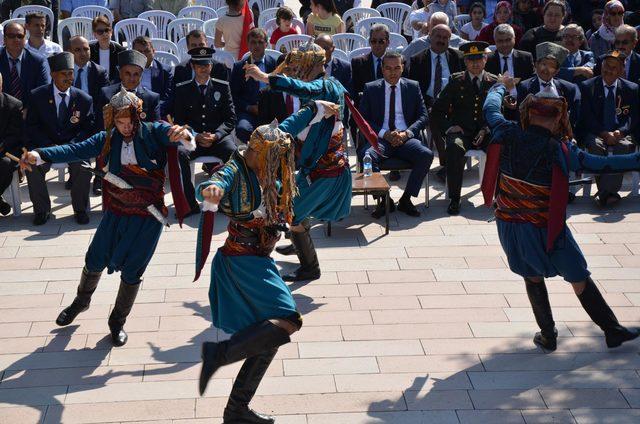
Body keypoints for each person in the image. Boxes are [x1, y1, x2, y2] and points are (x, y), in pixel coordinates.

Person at [21, 88, 194, 346]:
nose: (125, 127)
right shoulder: (107, 138)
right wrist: (40, 154)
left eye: (129, 122)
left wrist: (184, 135)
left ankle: (117, 321)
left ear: (138, 117)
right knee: (95, 257)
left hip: (148, 215)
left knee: (134, 268)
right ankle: (81, 301)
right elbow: (74, 149)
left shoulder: (153, 132)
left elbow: (182, 139)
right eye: (120, 122)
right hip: (117, 210)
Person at [481, 74, 640, 353]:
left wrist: (499, 87)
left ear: (528, 116)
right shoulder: (562, 150)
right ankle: (611, 330)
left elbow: (490, 109)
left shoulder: (506, 132)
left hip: (511, 224)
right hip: (547, 227)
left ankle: (548, 335)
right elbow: (605, 165)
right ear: (557, 121)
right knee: (578, 275)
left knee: (531, 275)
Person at [196, 122, 303, 423]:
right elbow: (215, 183)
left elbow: (293, 125)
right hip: (241, 261)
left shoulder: (267, 167)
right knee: (289, 320)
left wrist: (318, 108)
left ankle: (236, 411)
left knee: (270, 337)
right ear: (255, 151)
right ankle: (218, 355)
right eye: (270, 157)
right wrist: (210, 190)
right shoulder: (236, 168)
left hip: (259, 258)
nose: (275, 164)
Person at [245, 40, 351, 282]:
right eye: (291, 69)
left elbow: (302, 91)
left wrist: (266, 77)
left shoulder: (324, 88)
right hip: (317, 169)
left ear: (310, 65)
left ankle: (309, 266)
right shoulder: (327, 88)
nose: (294, 73)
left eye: (297, 68)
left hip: (328, 172)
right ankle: (300, 243)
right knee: (293, 210)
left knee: (292, 213)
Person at [359, 51, 432, 219]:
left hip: (406, 138)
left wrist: (407, 133)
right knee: (367, 156)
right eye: (388, 68)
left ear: (402, 68)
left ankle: (406, 199)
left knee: (426, 155)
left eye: (397, 68)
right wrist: (385, 134)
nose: (392, 72)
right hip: (381, 139)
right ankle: (383, 201)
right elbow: (363, 119)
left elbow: (423, 116)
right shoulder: (371, 88)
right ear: (382, 69)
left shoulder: (412, 87)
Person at [24, 52, 95, 225]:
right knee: (32, 165)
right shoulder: (37, 96)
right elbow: (31, 126)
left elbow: (88, 129)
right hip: (46, 145)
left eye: (71, 73)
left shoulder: (84, 99)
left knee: (83, 166)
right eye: (64, 73)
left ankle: (80, 209)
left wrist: (71, 146)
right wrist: (49, 146)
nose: (69, 77)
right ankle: (42, 210)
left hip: (73, 147)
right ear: (53, 74)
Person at [432, 41, 497, 215]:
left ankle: (498, 196)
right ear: (465, 62)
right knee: (454, 147)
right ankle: (454, 198)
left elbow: (500, 112)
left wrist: (487, 128)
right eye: (470, 60)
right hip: (462, 132)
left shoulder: (494, 82)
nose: (475, 63)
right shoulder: (456, 81)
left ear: (485, 60)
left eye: (478, 59)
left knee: (499, 147)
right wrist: (449, 127)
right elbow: (437, 111)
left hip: (486, 132)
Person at [174, 47, 238, 215]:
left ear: (211, 66)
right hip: (194, 138)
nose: (203, 68)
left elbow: (230, 119)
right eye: (199, 65)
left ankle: (228, 201)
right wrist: (195, 135)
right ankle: (189, 203)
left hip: (217, 137)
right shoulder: (182, 89)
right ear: (193, 67)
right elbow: (179, 121)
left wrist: (216, 135)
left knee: (233, 153)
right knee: (181, 153)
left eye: (207, 65)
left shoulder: (222, 87)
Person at [579, 51, 639, 206]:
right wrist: (604, 133)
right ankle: (609, 194)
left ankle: (605, 193)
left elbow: (633, 117)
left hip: (621, 133)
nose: (609, 70)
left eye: (614, 67)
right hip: (597, 132)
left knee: (623, 146)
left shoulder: (631, 88)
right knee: (596, 146)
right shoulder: (588, 86)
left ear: (621, 71)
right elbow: (587, 116)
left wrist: (621, 132)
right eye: (606, 66)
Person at [409, 23, 464, 181]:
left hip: (453, 102)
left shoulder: (457, 57)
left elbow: (462, 85)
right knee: (434, 115)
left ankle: (454, 159)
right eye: (438, 36)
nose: (441, 40)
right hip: (428, 103)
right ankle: (447, 163)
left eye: (445, 37)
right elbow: (415, 88)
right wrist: (432, 103)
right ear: (430, 38)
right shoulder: (418, 59)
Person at [516, 42, 581, 128]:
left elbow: (573, 117)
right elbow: (520, 117)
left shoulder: (568, 88)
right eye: (543, 64)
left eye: (551, 66)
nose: (546, 69)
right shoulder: (525, 87)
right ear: (536, 65)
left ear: (557, 71)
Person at [230, 28, 277, 144]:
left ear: (266, 44)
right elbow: (233, 96)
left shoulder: (274, 64)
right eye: (253, 42)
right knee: (242, 129)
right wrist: (249, 108)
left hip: (271, 111)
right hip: (248, 112)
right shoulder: (239, 67)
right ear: (248, 45)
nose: (257, 45)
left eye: (260, 42)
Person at [97, 50, 160, 130]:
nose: (132, 78)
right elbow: (99, 126)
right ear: (120, 74)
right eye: (127, 73)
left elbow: (155, 129)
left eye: (136, 74)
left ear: (141, 76)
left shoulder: (151, 98)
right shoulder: (107, 95)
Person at [0, 22, 51, 104]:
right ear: (4, 39)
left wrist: (29, 110)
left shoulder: (37, 62)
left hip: (29, 111)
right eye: (11, 36)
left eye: (20, 36)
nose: (16, 39)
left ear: (25, 39)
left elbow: (43, 92)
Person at [0, 73, 24, 217]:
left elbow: (16, 135)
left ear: (1, 85)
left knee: (5, 164)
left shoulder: (13, 105)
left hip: (5, 151)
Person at [132, 36, 173, 118]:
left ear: (153, 51)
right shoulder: (124, 70)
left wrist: (153, 110)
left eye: (147, 51)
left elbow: (167, 99)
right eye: (139, 52)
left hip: (156, 113)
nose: (143, 55)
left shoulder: (165, 71)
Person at [68, 36, 109, 112]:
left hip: (91, 116)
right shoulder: (64, 72)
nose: (83, 53)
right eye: (78, 50)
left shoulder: (99, 72)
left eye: (86, 49)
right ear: (70, 52)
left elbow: (103, 101)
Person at [89, 15, 125, 83]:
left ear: (111, 32)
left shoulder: (120, 51)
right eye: (100, 31)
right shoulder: (89, 50)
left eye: (107, 30)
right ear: (94, 34)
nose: (104, 34)